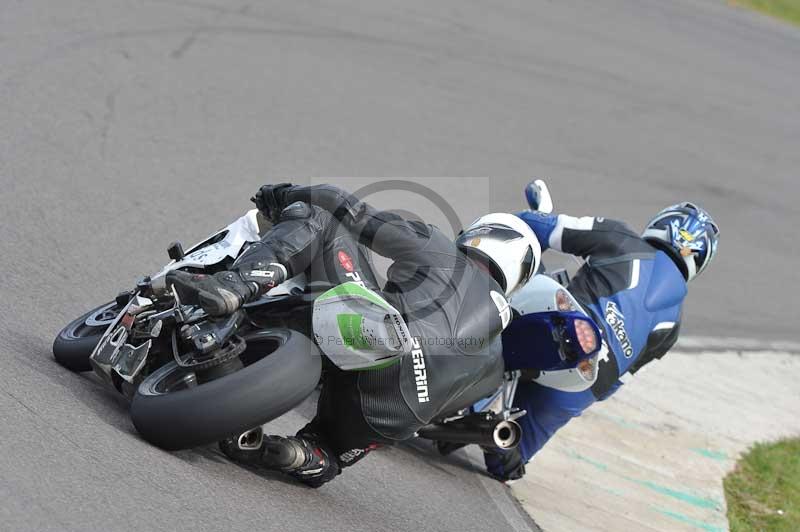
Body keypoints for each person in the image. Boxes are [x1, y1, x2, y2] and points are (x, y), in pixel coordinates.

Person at [167, 183, 542, 487]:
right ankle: (287, 453)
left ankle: (235, 285)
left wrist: (284, 195)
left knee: (323, 220)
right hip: (398, 411)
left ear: (482, 236)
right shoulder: (495, 352)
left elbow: (348, 210)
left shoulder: (442, 250)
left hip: (375, 335)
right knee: (328, 453)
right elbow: (446, 413)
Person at [484, 199, 720, 482]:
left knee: (509, 283)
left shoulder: (623, 240)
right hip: (583, 383)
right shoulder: (672, 327)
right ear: (700, 260)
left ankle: (467, 368)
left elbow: (540, 225)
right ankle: (498, 434)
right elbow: (615, 384)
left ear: (662, 224)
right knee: (506, 463)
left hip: (554, 328)